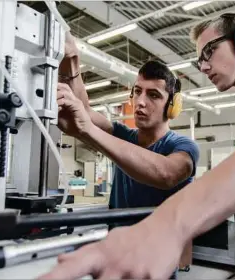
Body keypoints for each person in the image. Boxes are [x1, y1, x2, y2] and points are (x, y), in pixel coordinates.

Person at [40, 13, 235, 280]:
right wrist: (72, 60)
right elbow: (84, 117)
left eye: (209, 52)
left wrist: (167, 227)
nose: (203, 66)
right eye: (199, 59)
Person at [54, 33, 200, 279]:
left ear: (172, 106)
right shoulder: (124, 135)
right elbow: (86, 112)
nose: (140, 102)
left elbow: (166, 174)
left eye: (153, 95)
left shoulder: (183, 146)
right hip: (116, 257)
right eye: (137, 92)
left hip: (154, 266)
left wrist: (88, 131)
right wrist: (72, 59)